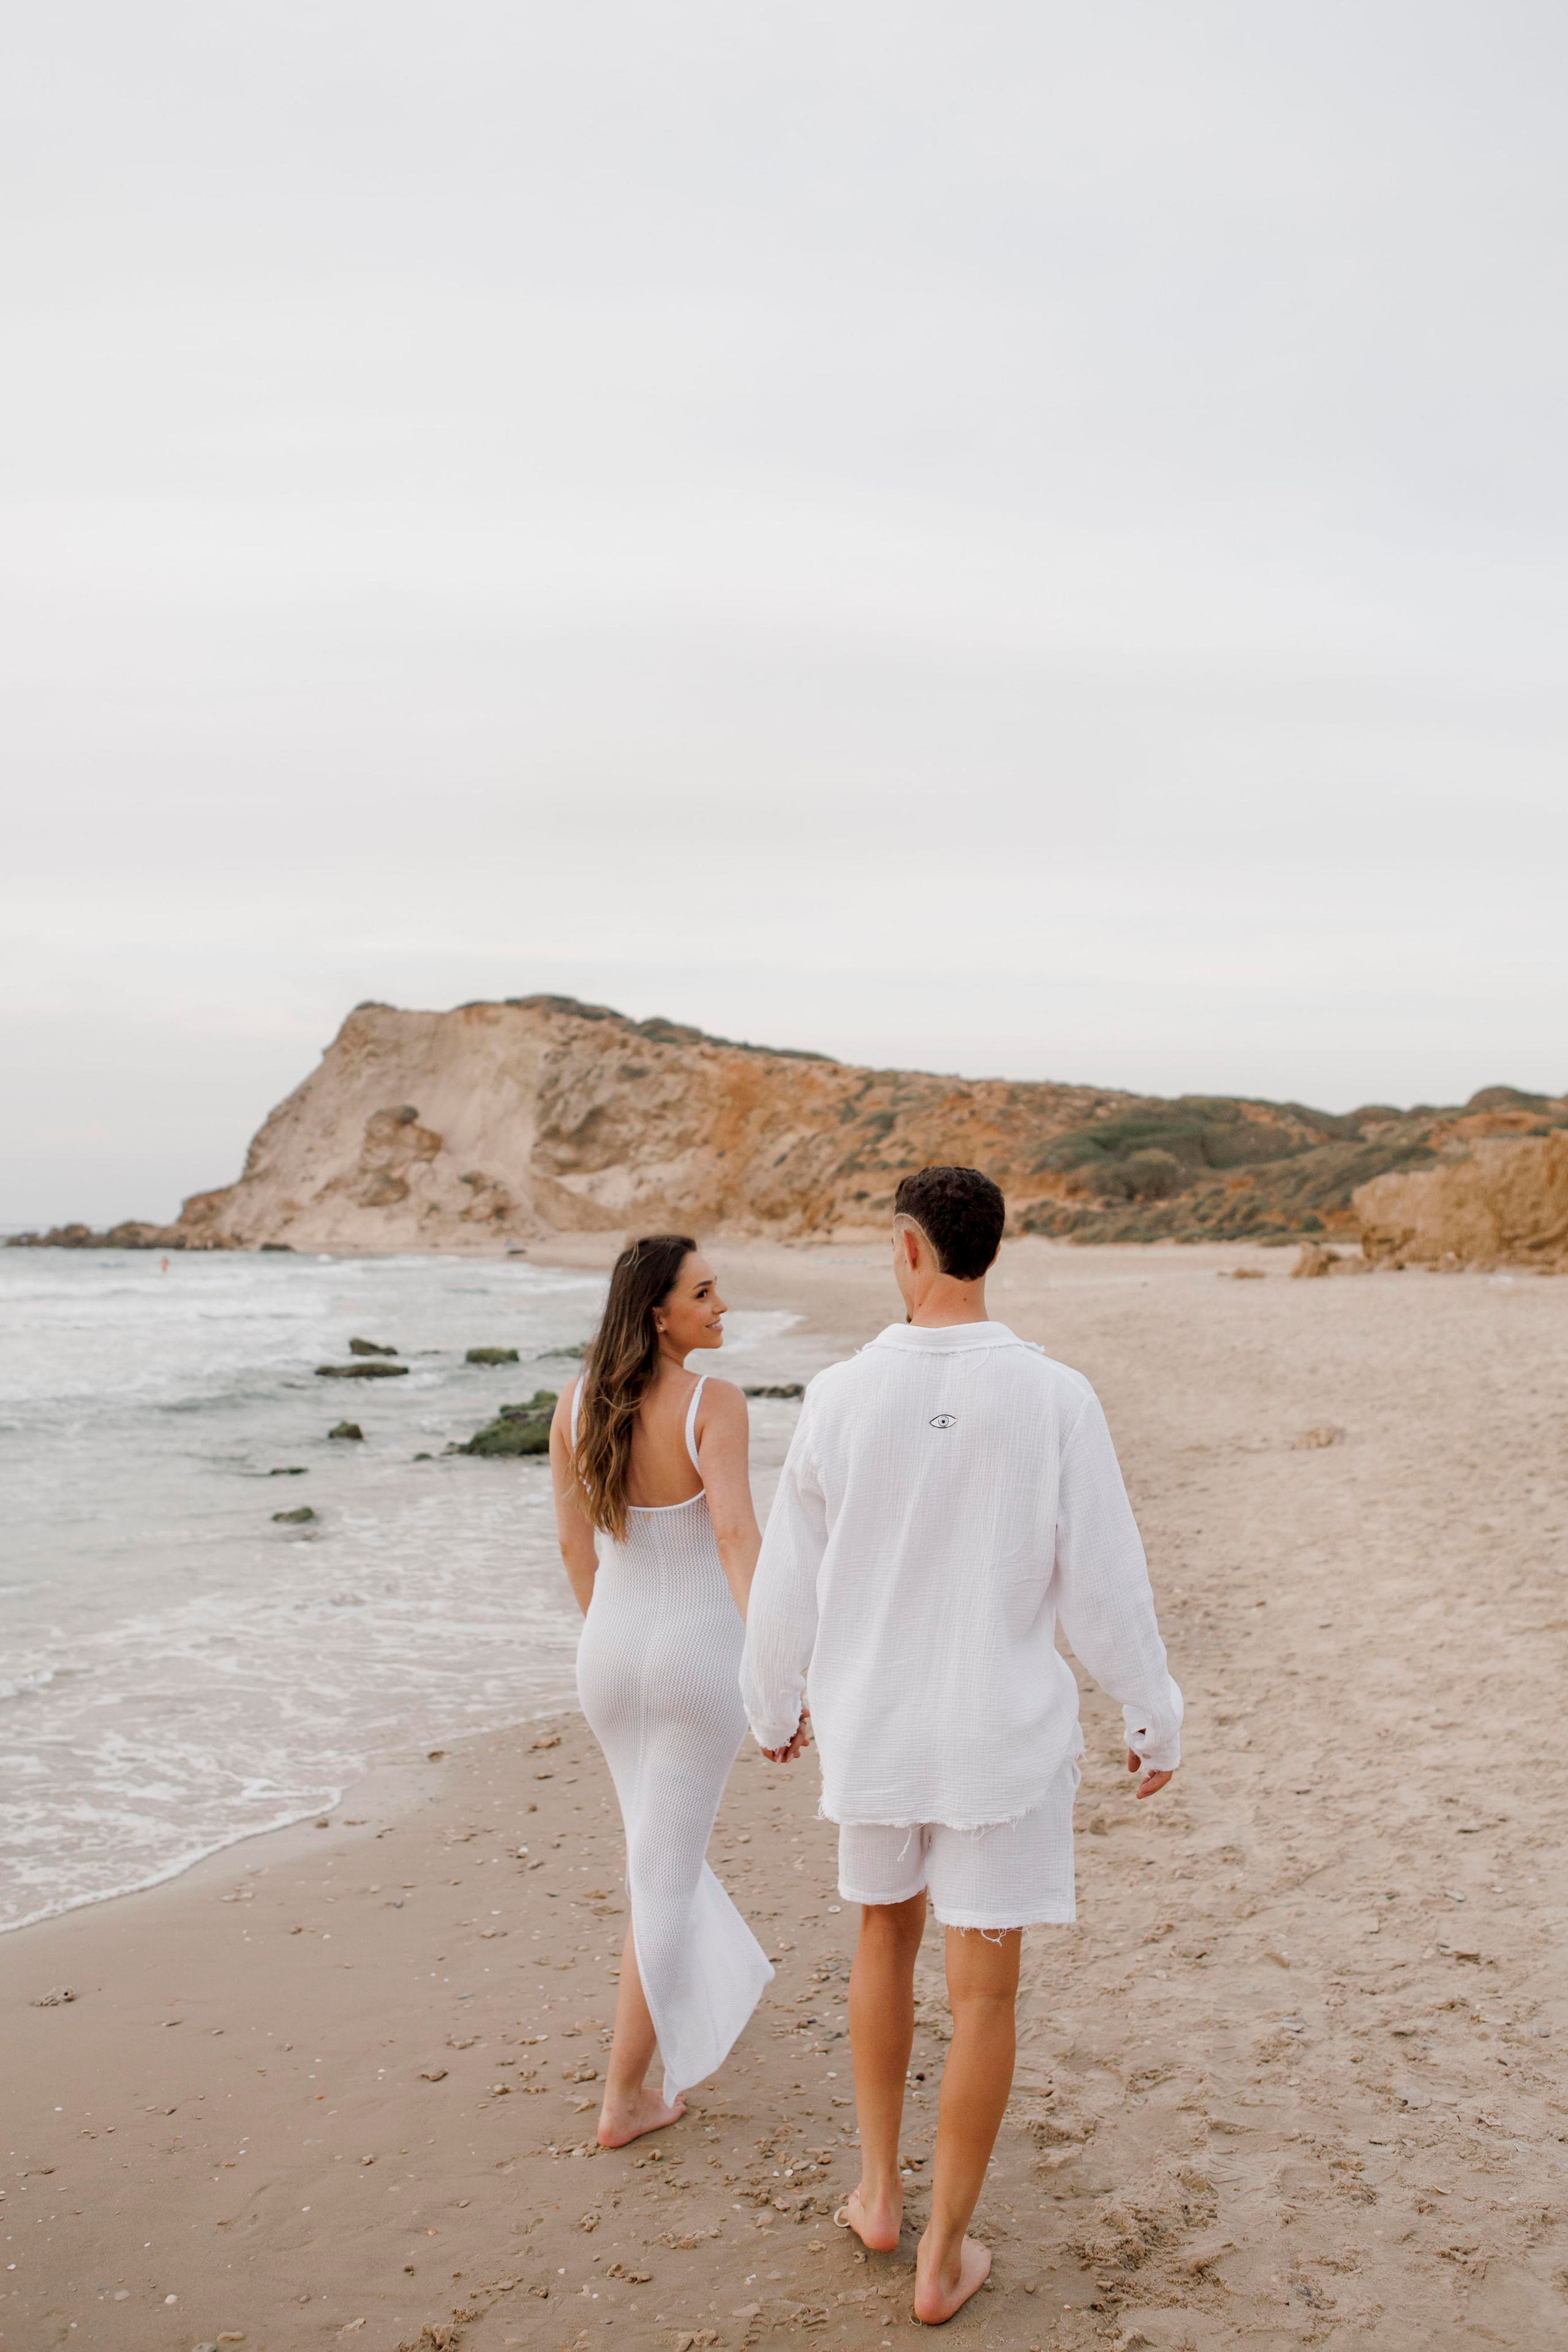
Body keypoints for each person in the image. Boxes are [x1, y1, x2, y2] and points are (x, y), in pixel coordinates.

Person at [741, 1166, 1183, 2324]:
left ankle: (880, 2194)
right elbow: (1103, 1582)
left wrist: (772, 1703)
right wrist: (1152, 1713)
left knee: (883, 1939)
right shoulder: (1054, 1397)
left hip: (877, 1728)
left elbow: (792, 1568)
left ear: (908, 1248)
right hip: (1000, 1744)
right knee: (985, 1997)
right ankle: (943, 2254)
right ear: (992, 1250)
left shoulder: (839, 1394)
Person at [550, 1233, 772, 2147]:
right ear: (658, 1312)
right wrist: (774, 1665)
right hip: (697, 1661)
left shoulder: (574, 1405)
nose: (723, 1306)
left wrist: (614, 1636)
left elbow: (574, 1546)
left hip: (609, 1653)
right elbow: (734, 1539)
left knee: (654, 1859)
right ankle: (625, 2096)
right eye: (705, 1293)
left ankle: (645, 2066)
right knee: (667, 1877)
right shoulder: (713, 1403)